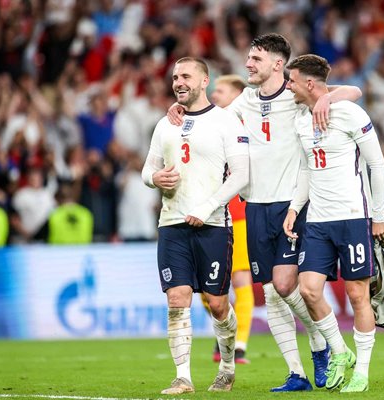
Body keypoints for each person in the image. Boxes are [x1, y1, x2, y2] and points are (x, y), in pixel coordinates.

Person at [168, 33, 362, 391]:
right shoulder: (245, 101)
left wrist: (329, 97)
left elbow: (354, 93)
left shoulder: (296, 96)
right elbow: (214, 120)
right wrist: (181, 111)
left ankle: (324, 345)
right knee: (272, 292)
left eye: (255, 59)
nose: (248, 65)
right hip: (255, 205)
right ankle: (297, 373)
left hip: (293, 205)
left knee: (288, 284)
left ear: (277, 63)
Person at [141, 57, 249, 395]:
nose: (178, 82)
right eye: (175, 77)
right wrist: (154, 178)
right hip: (172, 223)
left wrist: (208, 206)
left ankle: (228, 365)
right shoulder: (165, 124)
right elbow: (147, 171)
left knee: (218, 304)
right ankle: (183, 377)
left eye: (186, 75)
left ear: (205, 80)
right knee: (177, 298)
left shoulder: (226, 121)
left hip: (214, 224)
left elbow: (243, 175)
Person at [283, 54, 384, 393]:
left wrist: (379, 216)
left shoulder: (351, 113)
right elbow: (304, 168)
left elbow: (378, 165)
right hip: (317, 221)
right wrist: (294, 208)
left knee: (358, 294)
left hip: (353, 218)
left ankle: (364, 371)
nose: (288, 86)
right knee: (309, 289)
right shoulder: (301, 119)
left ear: (309, 84)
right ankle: (340, 352)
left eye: (292, 80)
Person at [208, 74, 254, 364]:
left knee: (240, 279)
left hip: (238, 216)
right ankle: (224, 331)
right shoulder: (207, 124)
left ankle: (239, 345)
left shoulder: (247, 127)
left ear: (238, 95)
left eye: (220, 91)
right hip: (209, 215)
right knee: (207, 285)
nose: (214, 95)